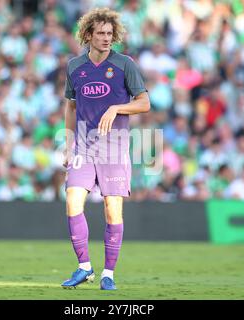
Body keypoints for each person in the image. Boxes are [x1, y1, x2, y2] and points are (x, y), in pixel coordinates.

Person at [61, 7, 150, 290]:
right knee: (73, 202)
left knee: (113, 211)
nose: (106, 38)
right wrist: (67, 143)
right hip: (83, 147)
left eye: (110, 33)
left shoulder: (125, 64)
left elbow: (144, 102)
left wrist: (117, 107)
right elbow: (70, 105)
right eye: (100, 33)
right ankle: (84, 267)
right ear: (88, 35)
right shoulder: (75, 67)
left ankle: (108, 273)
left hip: (114, 148)